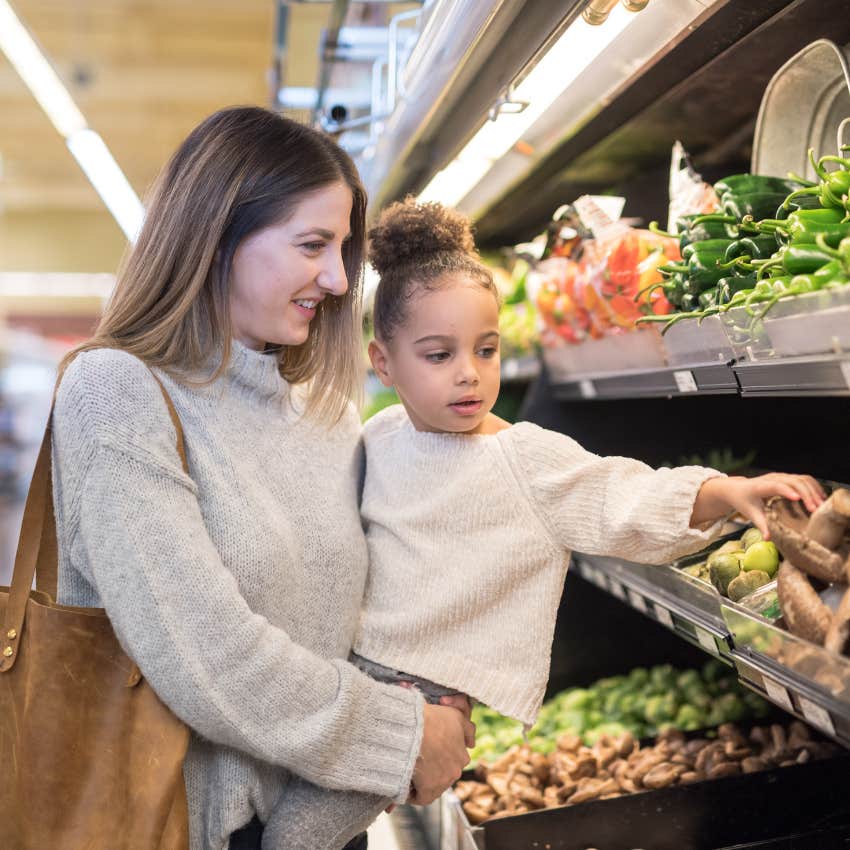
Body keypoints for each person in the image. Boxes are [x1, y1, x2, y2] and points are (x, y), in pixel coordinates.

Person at [263, 197, 825, 849]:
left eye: (487, 349)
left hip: (423, 702)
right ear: (384, 364)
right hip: (353, 685)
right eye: (438, 355)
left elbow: (622, 497)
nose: (469, 373)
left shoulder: (523, 456)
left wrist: (728, 491)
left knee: (300, 837)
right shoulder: (381, 434)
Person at [50, 109, 474, 850]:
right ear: (216, 237)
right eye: (312, 245)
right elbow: (208, 658)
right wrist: (401, 736)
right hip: (186, 831)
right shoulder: (116, 394)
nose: (339, 279)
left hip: (326, 822)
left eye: (343, 249)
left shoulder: (332, 418)